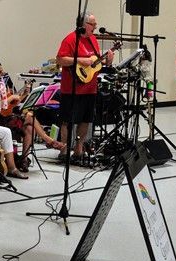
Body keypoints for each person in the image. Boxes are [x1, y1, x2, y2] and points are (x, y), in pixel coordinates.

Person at [55, 12, 114, 161]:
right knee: (67, 120)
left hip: (90, 88)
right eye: (92, 24)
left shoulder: (93, 40)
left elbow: (95, 64)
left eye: (95, 24)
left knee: (85, 119)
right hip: (71, 88)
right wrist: (80, 60)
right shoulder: (70, 39)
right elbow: (60, 59)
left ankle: (79, 147)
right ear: (83, 24)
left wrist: (107, 61)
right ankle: (64, 148)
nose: (95, 27)